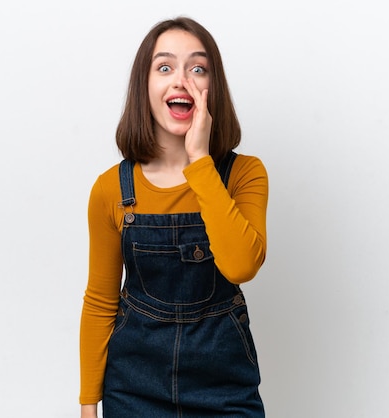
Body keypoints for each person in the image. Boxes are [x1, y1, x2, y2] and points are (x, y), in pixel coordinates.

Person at [79, 16, 268, 417]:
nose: (181, 80)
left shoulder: (244, 174)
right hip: (133, 390)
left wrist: (200, 160)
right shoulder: (110, 190)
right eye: (164, 67)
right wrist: (87, 404)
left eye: (197, 68)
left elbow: (241, 265)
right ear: (144, 87)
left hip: (224, 391)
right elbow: (100, 301)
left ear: (212, 88)